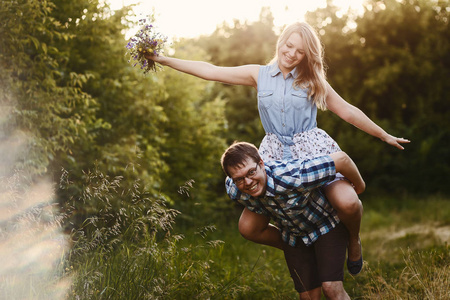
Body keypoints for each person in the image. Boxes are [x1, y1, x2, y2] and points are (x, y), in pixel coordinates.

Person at [145, 22, 410, 275]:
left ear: (307, 56)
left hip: (311, 149)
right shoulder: (257, 74)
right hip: (273, 154)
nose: (292, 54)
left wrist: (383, 135)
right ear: (281, 42)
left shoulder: (313, 79)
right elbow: (210, 70)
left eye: (300, 51)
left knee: (349, 203)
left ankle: (353, 241)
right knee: (248, 227)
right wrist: (163, 59)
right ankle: (302, 247)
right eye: (289, 45)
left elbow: (348, 111)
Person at [221, 141, 365, 299]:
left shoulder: (292, 175)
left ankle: (351, 241)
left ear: (261, 164)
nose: (248, 182)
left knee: (331, 289)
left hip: (326, 224)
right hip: (293, 236)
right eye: (239, 179)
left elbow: (342, 159)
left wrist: (360, 187)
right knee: (308, 297)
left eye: (251, 172)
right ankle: (308, 253)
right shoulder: (235, 190)